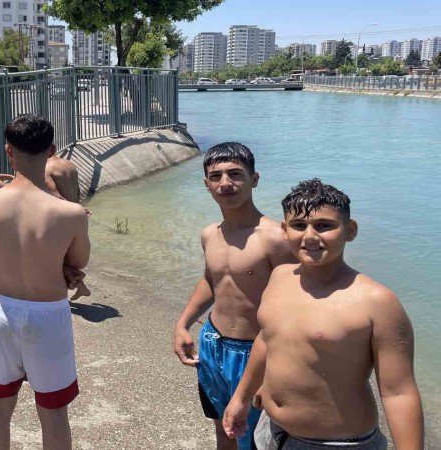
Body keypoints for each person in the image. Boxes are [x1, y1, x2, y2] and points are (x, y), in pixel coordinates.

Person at [223, 179, 424, 450]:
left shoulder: (376, 302)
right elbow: (267, 339)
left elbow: (398, 392)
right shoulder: (280, 276)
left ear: (350, 230)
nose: (309, 236)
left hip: (335, 443)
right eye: (298, 225)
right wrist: (241, 397)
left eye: (324, 225)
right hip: (270, 429)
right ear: (284, 231)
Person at [0, 114, 90, 450]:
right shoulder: (70, 213)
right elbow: (78, 261)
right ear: (51, 151)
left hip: (0, 310)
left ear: (8, 151)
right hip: (48, 314)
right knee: (53, 412)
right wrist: (62, 266)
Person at [172, 142, 296, 450]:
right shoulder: (210, 234)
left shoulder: (276, 238)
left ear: (254, 179)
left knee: (257, 440)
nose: (225, 183)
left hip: (257, 352)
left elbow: (297, 303)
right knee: (224, 431)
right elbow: (211, 280)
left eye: (235, 174)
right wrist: (183, 324)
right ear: (206, 184)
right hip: (212, 344)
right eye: (216, 176)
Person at [45, 153, 91, 301]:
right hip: (75, 215)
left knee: (58, 258)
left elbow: (55, 194)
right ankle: (81, 287)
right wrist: (78, 208)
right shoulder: (69, 164)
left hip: (63, 216)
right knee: (66, 257)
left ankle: (60, 296)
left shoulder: (46, 167)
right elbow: (77, 191)